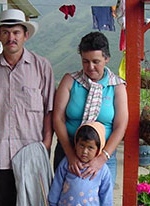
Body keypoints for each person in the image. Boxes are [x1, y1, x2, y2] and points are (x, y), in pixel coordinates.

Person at [0, 9, 56, 206]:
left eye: (16, 33)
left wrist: (46, 144)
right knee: (3, 201)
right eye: (5, 32)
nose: (11, 38)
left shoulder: (42, 66)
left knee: (35, 201)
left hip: (32, 151)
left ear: (26, 35)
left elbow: (50, 108)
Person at [53, 32, 128, 185]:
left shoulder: (117, 86)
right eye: (85, 61)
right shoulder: (70, 81)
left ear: (107, 59)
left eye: (96, 61)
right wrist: (70, 154)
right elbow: (58, 118)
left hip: (104, 156)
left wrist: (102, 158)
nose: (90, 67)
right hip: (68, 152)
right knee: (65, 196)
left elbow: (120, 126)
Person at [48, 122, 113, 206]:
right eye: (82, 145)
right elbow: (57, 184)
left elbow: (106, 194)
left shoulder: (103, 170)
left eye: (90, 147)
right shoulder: (67, 163)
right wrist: (52, 203)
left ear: (98, 149)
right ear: (76, 145)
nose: (85, 151)